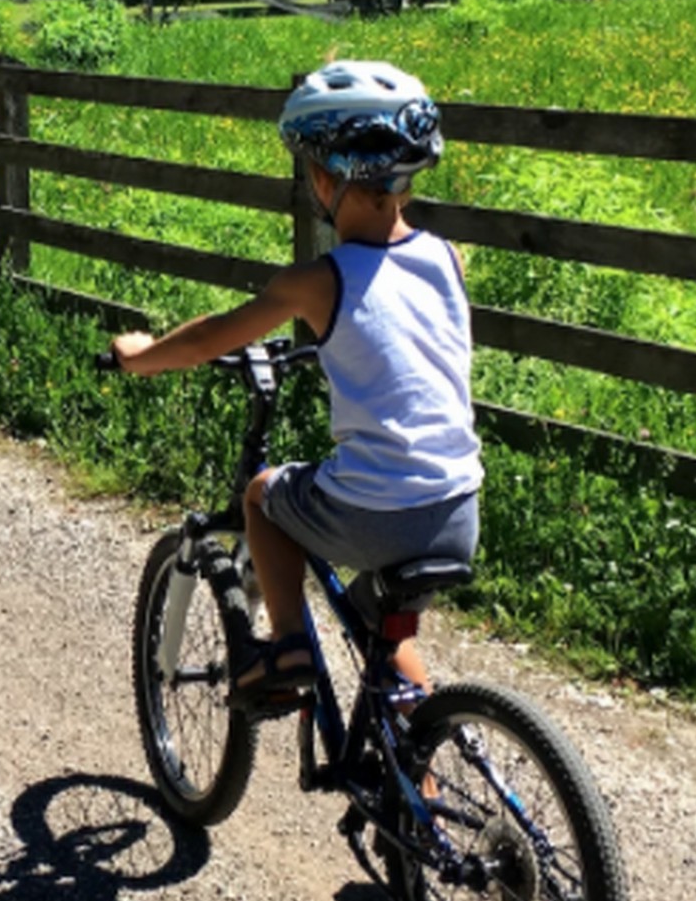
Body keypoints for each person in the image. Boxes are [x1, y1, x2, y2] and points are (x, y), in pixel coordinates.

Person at [109, 61, 479, 713]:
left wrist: (142, 356)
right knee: (374, 624)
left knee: (262, 497)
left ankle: (287, 647)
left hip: (379, 511)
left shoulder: (315, 282)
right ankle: (420, 781)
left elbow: (206, 338)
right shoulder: (447, 257)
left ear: (322, 177)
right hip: (456, 507)